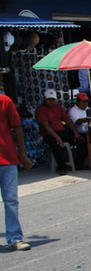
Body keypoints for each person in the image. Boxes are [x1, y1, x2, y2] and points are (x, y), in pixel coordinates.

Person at [0, 91, 33, 250]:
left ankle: (15, 237)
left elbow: (17, 129)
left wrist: (23, 154)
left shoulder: (5, 101)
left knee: (11, 200)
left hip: (7, 158)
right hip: (7, 159)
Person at [35, 89, 75, 174]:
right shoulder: (41, 110)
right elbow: (46, 126)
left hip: (61, 131)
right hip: (49, 134)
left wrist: (76, 133)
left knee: (80, 140)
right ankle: (62, 168)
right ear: (45, 99)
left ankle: (79, 163)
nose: (51, 102)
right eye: (49, 100)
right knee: (57, 146)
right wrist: (57, 137)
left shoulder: (58, 108)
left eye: (53, 100)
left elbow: (67, 120)